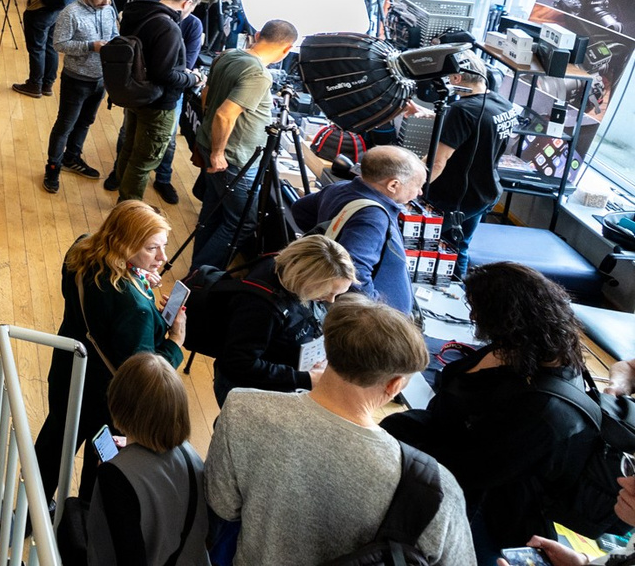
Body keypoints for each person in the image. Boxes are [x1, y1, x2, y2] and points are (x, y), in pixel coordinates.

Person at [205, 297, 474, 566]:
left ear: (329, 349)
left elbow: (223, 505)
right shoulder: (438, 489)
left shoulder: (241, 408)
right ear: (394, 385)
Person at [381, 263, 607, 561]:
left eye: (477, 309)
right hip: (455, 446)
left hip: (486, 499)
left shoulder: (547, 412)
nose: (472, 316)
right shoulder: (521, 346)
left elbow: (473, 471)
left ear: (506, 317)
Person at [32, 200, 184, 497]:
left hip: (68, 372)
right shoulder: (136, 308)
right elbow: (145, 377)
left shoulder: (81, 249)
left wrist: (138, 277)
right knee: (101, 464)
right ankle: (83, 515)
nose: (163, 258)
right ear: (125, 245)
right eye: (152, 248)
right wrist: (175, 341)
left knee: (53, 444)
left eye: (163, 247)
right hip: (107, 400)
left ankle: (29, 509)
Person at [75, 353, 210, 566]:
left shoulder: (115, 476)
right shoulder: (191, 455)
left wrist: (115, 467)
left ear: (119, 404)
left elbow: (122, 552)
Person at [191, 18, 299, 269]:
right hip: (234, 159)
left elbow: (206, 94)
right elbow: (224, 115)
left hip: (216, 148)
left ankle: (197, 270)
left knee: (212, 213)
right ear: (287, 49)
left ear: (258, 35)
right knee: (242, 222)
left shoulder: (228, 55)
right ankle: (201, 276)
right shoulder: (258, 74)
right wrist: (218, 153)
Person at [212, 234, 356, 404]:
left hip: (280, 374)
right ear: (305, 278)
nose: (331, 300)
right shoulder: (261, 308)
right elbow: (239, 363)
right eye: (326, 292)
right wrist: (306, 379)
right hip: (246, 391)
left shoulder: (285, 270)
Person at [290, 145, 426, 316]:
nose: (420, 192)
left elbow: (300, 209)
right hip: (374, 321)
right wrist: (376, 310)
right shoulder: (372, 217)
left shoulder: (340, 188)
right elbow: (354, 274)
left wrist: (327, 238)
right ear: (393, 185)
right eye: (418, 185)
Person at [111, 0, 202, 204]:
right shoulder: (168, 27)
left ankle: (123, 201)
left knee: (129, 149)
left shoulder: (136, 12)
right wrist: (194, 78)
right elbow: (164, 74)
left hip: (135, 93)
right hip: (158, 103)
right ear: (186, 3)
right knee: (144, 160)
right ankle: (129, 208)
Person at [427, 62, 518, 275]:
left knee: (425, 242)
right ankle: (461, 291)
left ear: (457, 78)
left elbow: (438, 162)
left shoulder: (461, 110)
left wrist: (414, 189)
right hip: (484, 192)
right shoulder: (502, 103)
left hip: (455, 197)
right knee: (459, 246)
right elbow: (478, 126)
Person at [43, 0, 118, 192]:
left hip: (101, 79)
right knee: (64, 125)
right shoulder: (70, 13)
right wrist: (90, 46)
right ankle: (53, 168)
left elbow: (114, 33)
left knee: (86, 121)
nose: (106, 3)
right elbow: (59, 44)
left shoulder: (109, 10)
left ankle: (72, 157)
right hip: (76, 80)